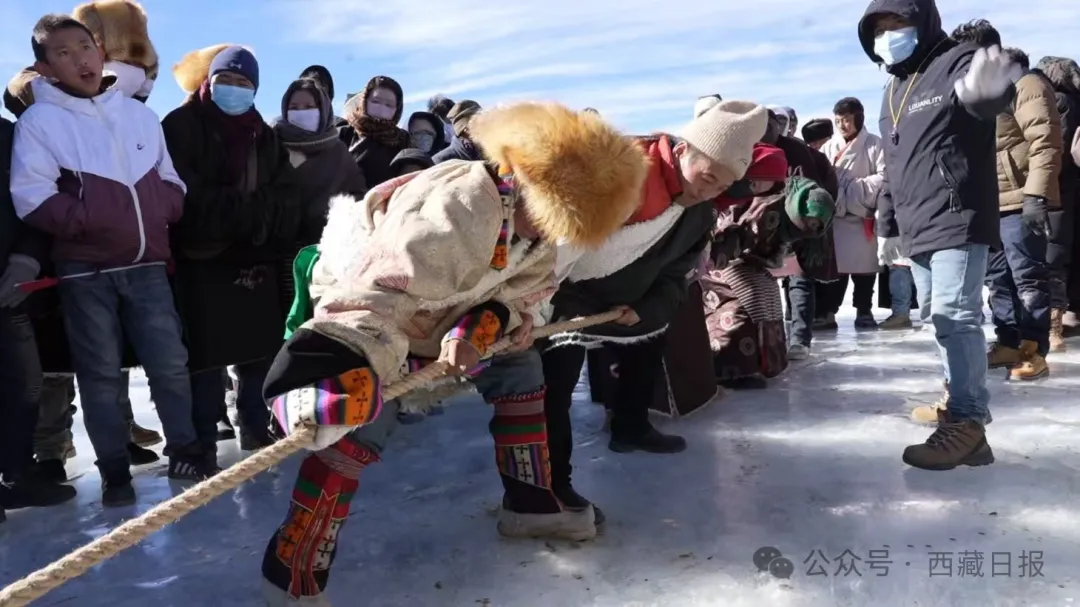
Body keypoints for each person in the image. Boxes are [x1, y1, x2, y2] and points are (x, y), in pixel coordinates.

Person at [258, 101, 648, 605]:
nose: (554, 234)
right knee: (363, 411)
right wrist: (349, 363)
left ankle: (529, 503)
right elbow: (376, 293)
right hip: (367, 315)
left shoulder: (535, 229)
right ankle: (294, 560)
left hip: (438, 318)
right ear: (529, 182)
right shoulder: (461, 200)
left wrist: (479, 326)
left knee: (520, 364)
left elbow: (519, 294)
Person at [10, 15, 209, 506]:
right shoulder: (40, 122)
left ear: (101, 51)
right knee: (98, 374)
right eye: (64, 53)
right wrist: (92, 217)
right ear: (45, 67)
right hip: (86, 272)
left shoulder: (139, 115)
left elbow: (172, 180)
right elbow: (30, 196)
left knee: (169, 363)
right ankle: (114, 472)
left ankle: (185, 449)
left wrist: (166, 205)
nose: (80, 59)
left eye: (86, 46)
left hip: (147, 268)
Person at [539, 100, 767, 517]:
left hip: (629, 304)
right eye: (707, 176)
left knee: (647, 347)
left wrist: (645, 308)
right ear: (683, 150)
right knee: (555, 386)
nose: (708, 190)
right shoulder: (624, 173)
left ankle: (631, 426)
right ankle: (553, 485)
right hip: (567, 296)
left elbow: (675, 278)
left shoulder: (698, 214)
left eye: (721, 186)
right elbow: (559, 238)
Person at [860, 0, 1023, 469]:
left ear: (923, 22)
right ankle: (960, 409)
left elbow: (980, 99)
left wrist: (986, 95)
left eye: (899, 23)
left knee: (957, 315)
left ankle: (968, 421)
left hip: (957, 213)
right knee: (938, 318)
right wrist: (887, 225)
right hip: (916, 225)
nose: (889, 33)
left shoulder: (954, 59)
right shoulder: (892, 89)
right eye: (880, 27)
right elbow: (892, 165)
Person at [164, 44, 303, 454]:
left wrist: (254, 217)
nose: (234, 89)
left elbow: (286, 197)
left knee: (257, 355)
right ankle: (203, 439)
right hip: (201, 260)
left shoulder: (264, 135)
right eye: (227, 79)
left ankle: (255, 427)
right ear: (210, 80)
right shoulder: (181, 125)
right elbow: (182, 190)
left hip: (254, 258)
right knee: (205, 360)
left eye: (244, 83)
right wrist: (245, 211)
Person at [951, 21, 1063, 380]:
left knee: (1028, 277)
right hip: (989, 202)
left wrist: (1035, 194)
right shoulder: (978, 92)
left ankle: (1034, 349)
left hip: (1019, 200)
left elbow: (1044, 141)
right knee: (998, 279)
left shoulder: (1025, 84)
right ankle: (1009, 341)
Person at [0, 116, 78, 523]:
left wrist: (26, 258)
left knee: (25, 385)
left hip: (8, 286)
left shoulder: (11, 135)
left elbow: (35, 200)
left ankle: (17, 473)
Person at [705, 144, 834, 388]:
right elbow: (735, 239)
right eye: (808, 223)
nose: (809, 230)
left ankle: (767, 364)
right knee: (748, 300)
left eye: (816, 227)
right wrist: (713, 259)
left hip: (752, 264)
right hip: (724, 261)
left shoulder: (788, 209)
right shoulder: (768, 211)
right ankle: (732, 370)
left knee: (770, 298)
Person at [765, 109, 840, 359]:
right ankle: (776, 340)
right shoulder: (755, 150)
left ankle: (799, 339)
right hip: (767, 225)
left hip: (798, 224)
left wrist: (816, 219)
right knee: (769, 282)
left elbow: (825, 189)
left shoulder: (799, 151)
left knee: (799, 281)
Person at [274, 77, 367, 246]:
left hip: (325, 250)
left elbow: (357, 197)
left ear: (323, 109)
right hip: (275, 250)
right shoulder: (272, 146)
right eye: (294, 107)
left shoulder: (338, 152)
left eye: (309, 107)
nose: (301, 112)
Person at [822, 97, 888, 329]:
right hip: (838, 218)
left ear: (858, 118)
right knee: (836, 271)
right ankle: (830, 311)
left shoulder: (874, 144)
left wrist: (853, 191)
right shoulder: (829, 147)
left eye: (847, 120)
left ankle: (864, 310)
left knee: (865, 271)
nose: (842, 125)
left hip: (863, 217)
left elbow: (884, 176)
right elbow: (822, 179)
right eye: (839, 121)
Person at [1032, 56, 1080, 350]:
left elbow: (1053, 150)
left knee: (1054, 258)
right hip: (1076, 190)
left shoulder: (1059, 102)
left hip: (1059, 191)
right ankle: (1072, 313)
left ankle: (1054, 326)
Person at [339, 75, 410, 187]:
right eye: (376, 101)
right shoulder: (344, 134)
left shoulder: (403, 140)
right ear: (364, 101)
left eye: (389, 105)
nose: (381, 108)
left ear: (397, 109)